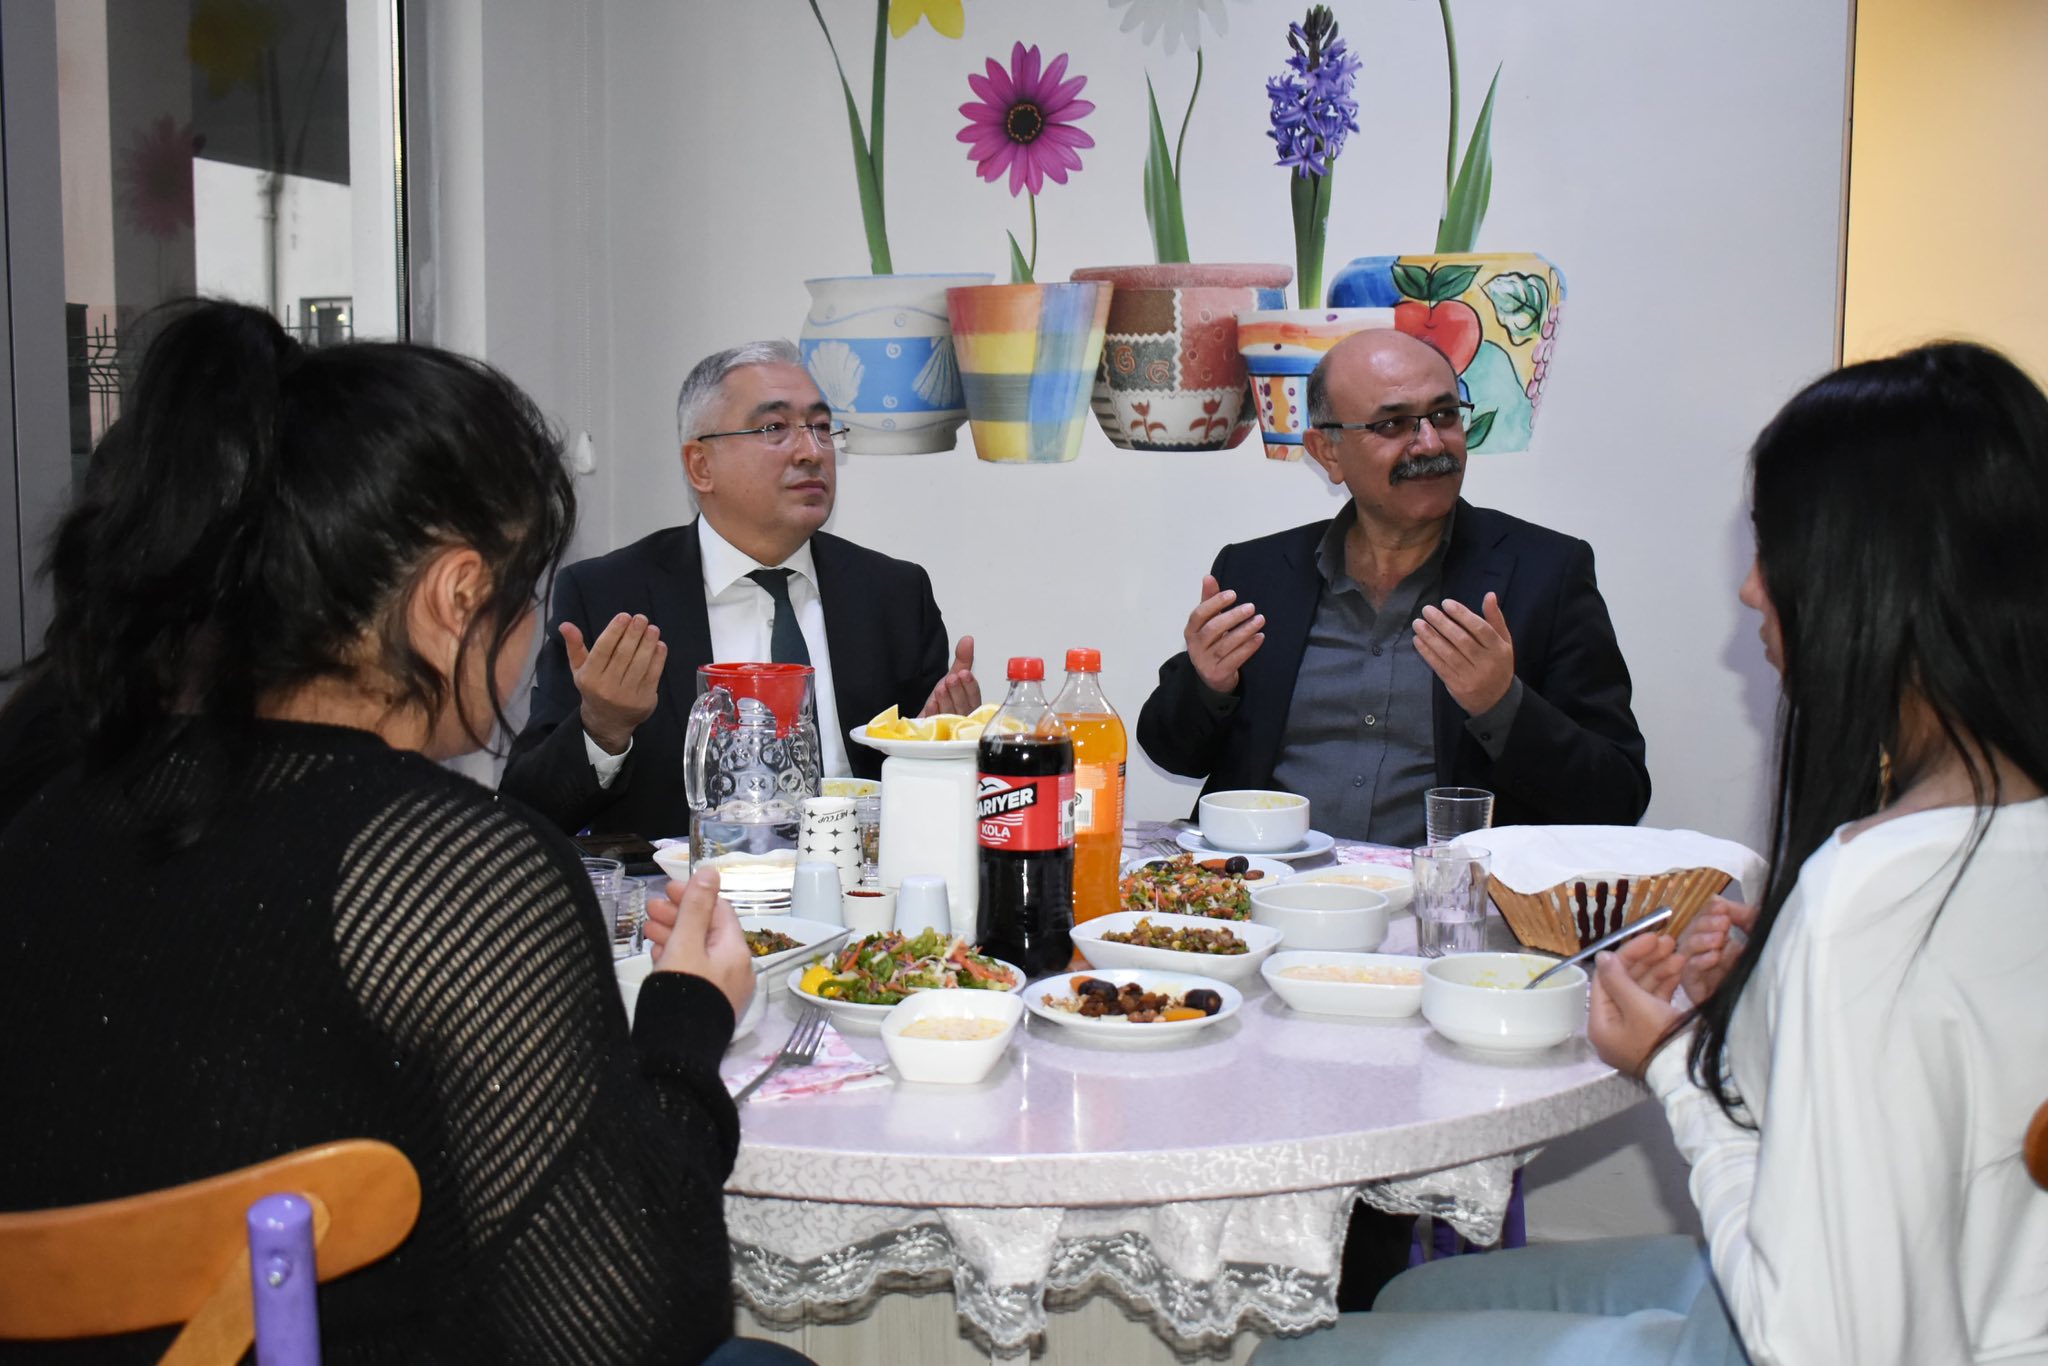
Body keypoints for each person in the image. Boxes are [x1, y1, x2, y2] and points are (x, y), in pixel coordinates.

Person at [0, 301, 805, 1365]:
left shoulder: (49, 809)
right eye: (526, 593)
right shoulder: (448, 869)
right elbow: (629, 1325)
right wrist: (686, 1017)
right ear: (456, 597)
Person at [1250, 340, 2048, 1365]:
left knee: (1295, 1355)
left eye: (1772, 547)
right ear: (1329, 450)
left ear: (1871, 579)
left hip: (1803, 1330)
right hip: (1968, 1297)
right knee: (1407, 1298)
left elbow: (1818, 1335)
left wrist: (1675, 1066)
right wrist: (1763, 989)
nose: (1751, 592)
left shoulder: (1871, 890)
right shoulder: (1975, 841)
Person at [1137, 329, 1649, 846]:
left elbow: (1617, 796)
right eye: (1392, 424)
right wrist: (1209, 687)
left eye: (1444, 415)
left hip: (1444, 892)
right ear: (1327, 452)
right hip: (1267, 882)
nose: (1430, 443)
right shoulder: (1258, 573)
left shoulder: (1546, 574)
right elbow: (1172, 751)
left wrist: (1500, 705)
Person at [500, 340, 978, 840]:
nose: (811, 452)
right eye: (774, 429)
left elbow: (929, 812)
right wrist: (601, 728)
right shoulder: (608, 595)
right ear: (700, 466)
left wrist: (940, 749)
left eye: (821, 427)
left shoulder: (893, 595)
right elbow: (525, 813)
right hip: (684, 885)